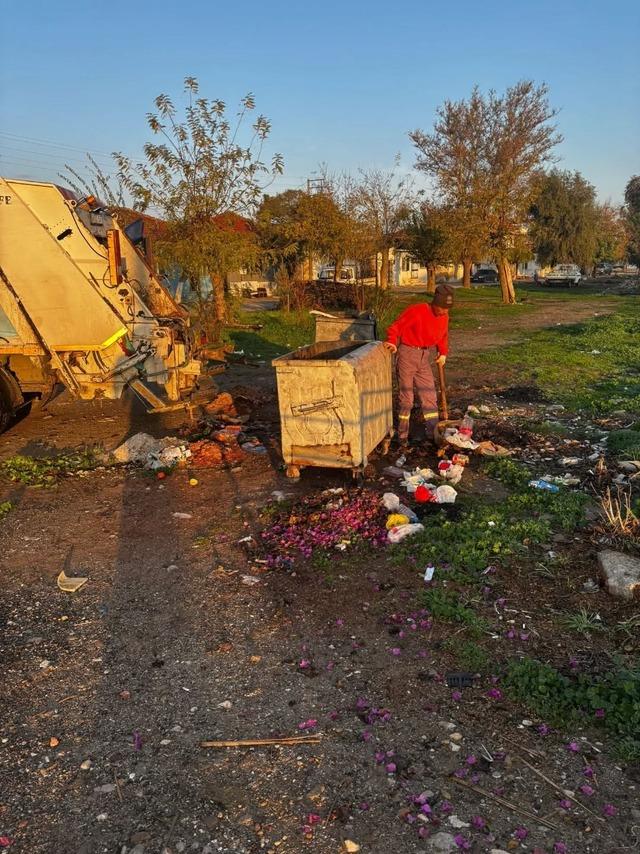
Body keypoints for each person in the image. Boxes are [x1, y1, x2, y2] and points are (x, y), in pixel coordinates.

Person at [383, 283, 454, 450]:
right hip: (407, 353)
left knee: (429, 394)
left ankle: (433, 434)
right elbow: (395, 327)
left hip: (424, 356)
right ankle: (402, 437)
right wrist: (392, 342)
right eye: (442, 308)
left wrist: (442, 353)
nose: (444, 312)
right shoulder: (417, 311)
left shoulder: (444, 316)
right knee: (407, 398)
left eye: (447, 309)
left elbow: (443, 335)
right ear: (435, 303)